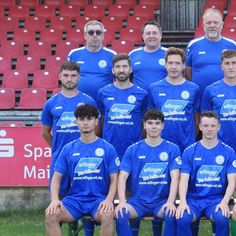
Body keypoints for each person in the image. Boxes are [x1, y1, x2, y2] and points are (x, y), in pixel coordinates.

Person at [45, 104, 119, 236]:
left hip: (98, 200)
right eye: (81, 119)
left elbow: (115, 178)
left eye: (89, 119)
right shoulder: (68, 149)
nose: (85, 123)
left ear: (96, 121)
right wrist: (55, 200)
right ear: (76, 122)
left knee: (108, 215)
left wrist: (109, 200)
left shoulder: (108, 148)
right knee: (51, 215)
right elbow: (56, 177)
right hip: (75, 201)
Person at [41, 61, 97, 235]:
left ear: (79, 77)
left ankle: (88, 232)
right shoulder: (51, 103)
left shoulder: (88, 101)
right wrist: (60, 150)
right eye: (66, 75)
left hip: (87, 159)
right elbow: (45, 132)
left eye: (73, 75)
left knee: (87, 196)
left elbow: (97, 129)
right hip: (61, 159)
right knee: (61, 199)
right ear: (59, 76)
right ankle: (69, 229)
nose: (69, 79)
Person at [115, 109, 181, 236]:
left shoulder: (172, 149)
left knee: (171, 214)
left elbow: (175, 177)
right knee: (121, 214)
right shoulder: (133, 149)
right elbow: (122, 177)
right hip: (137, 202)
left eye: (157, 123)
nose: (154, 127)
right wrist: (122, 201)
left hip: (161, 202)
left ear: (163, 125)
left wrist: (170, 201)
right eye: (150, 123)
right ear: (144, 125)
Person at [176, 111, 236, 236]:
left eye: (213, 126)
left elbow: (232, 181)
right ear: (200, 127)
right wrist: (182, 201)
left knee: (222, 218)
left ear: (219, 127)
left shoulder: (228, 152)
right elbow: (184, 180)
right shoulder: (189, 151)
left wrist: (224, 202)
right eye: (206, 125)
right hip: (193, 200)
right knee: (182, 218)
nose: (209, 129)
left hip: (216, 200)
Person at [149, 47, 200, 153]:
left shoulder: (194, 89)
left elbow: (197, 119)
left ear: (183, 65)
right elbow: (149, 119)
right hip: (160, 146)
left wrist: (190, 139)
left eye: (177, 63)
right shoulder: (154, 89)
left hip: (186, 146)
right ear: (165, 65)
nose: (173, 67)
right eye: (170, 63)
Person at [97, 53, 148, 159]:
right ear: (112, 70)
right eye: (117, 67)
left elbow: (144, 122)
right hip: (109, 149)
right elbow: (101, 119)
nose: (121, 70)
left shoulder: (142, 94)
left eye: (124, 66)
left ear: (130, 69)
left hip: (134, 150)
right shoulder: (103, 93)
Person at [185, 8, 236, 96]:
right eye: (208, 23)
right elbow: (187, 71)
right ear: (204, 25)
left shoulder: (232, 45)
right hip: (199, 96)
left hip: (227, 97)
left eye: (215, 22)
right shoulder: (193, 45)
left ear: (222, 25)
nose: (212, 25)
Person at [67, 20, 116, 101]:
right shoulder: (74, 54)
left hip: (104, 102)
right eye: (91, 32)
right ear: (85, 35)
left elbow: (118, 81)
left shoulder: (112, 55)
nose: (95, 35)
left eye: (98, 32)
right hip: (79, 102)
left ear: (103, 35)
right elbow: (67, 79)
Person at [201, 49, 236, 152]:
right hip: (219, 146)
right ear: (222, 66)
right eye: (227, 63)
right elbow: (205, 120)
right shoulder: (210, 90)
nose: (230, 67)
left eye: (234, 63)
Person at [129, 20, 167, 91]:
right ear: (143, 36)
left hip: (162, 98)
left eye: (154, 33)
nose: (151, 36)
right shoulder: (133, 54)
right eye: (148, 33)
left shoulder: (169, 54)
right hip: (139, 99)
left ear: (160, 35)